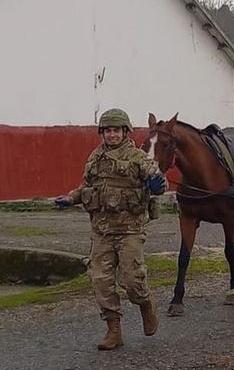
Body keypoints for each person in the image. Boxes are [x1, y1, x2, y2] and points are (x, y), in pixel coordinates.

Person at [53, 108, 168, 351]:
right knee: (101, 281)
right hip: (102, 230)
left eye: (116, 130)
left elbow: (157, 181)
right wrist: (71, 198)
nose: (112, 135)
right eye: (107, 131)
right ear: (102, 134)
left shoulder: (138, 157)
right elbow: (86, 185)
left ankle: (146, 304)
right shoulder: (95, 158)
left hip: (130, 230)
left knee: (132, 280)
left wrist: (157, 184)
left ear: (125, 132)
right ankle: (113, 329)